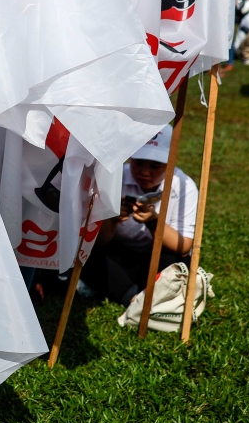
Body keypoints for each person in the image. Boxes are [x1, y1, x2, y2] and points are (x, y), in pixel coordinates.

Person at [79, 125, 198, 306]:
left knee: (179, 263)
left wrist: (154, 222)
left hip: (157, 256)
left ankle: (123, 291)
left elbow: (183, 246)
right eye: (139, 163)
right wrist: (111, 218)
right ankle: (134, 297)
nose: (144, 172)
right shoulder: (115, 178)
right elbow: (99, 242)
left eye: (155, 166)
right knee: (87, 253)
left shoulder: (184, 186)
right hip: (118, 252)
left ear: (170, 163)